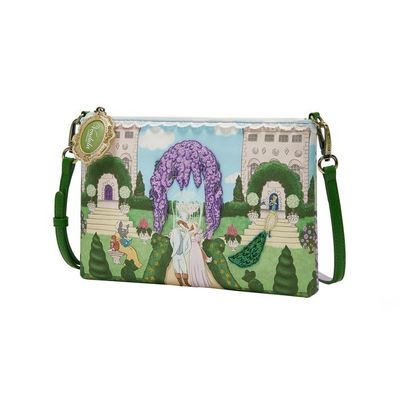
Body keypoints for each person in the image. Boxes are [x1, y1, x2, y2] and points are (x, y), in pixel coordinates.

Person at [170, 219, 192, 286]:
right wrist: (174, 249)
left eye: (184, 226)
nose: (182, 227)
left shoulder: (187, 234)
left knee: (184, 269)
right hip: (175, 254)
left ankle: (186, 282)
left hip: (182, 254)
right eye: (181, 225)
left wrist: (185, 252)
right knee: (176, 269)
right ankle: (180, 282)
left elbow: (189, 246)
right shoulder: (174, 231)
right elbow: (171, 241)